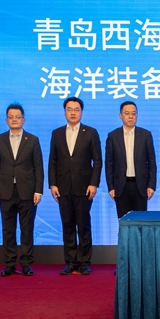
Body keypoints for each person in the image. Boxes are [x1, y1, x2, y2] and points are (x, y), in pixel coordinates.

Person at [48, 97, 102, 275]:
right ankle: (71, 261)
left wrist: (93, 184)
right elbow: (53, 160)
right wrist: (52, 184)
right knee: (68, 224)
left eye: (76, 109)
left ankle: (85, 261)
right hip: (63, 187)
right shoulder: (57, 133)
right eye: (69, 109)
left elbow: (97, 161)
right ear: (64, 112)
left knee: (83, 225)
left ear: (81, 112)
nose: (73, 112)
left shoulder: (91, 132)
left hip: (84, 187)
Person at [0, 104, 43, 277]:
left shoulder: (32, 140)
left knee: (27, 229)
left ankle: (26, 263)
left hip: (27, 191)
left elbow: (38, 167)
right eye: (11, 117)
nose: (14, 119)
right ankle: (10, 264)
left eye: (17, 116)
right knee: (8, 229)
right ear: (6, 120)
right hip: (5, 191)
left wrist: (38, 191)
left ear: (23, 120)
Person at [105, 101, 157, 219]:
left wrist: (151, 185)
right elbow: (109, 164)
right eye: (127, 113)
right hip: (120, 186)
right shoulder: (113, 136)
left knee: (141, 221)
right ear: (121, 116)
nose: (131, 116)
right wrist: (111, 187)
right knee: (124, 221)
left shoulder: (145, 135)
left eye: (134, 114)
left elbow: (152, 162)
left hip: (141, 186)